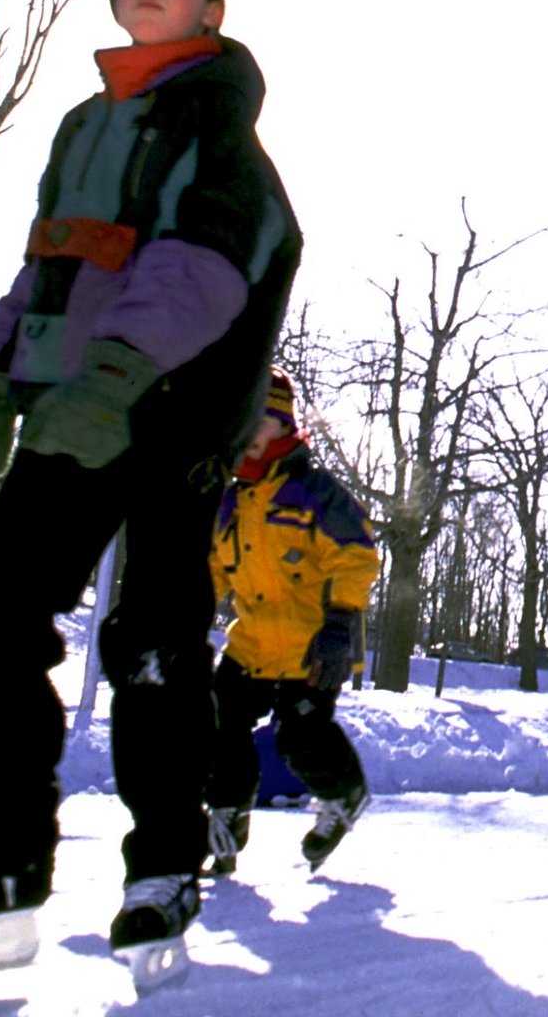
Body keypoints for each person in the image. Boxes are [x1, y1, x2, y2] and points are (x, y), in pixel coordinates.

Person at [0, 0, 301, 993]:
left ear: (211, 7)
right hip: (73, 405)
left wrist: (111, 376)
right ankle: (5, 863)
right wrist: (5, 376)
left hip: (170, 409)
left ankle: (161, 870)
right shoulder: (82, 125)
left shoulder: (214, 120)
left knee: (152, 638)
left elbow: (204, 262)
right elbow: (50, 258)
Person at [204, 371, 378, 876]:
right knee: (223, 722)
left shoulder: (316, 493)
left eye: (259, 422)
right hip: (252, 643)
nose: (248, 433)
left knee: (300, 738)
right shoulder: (231, 501)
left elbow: (358, 557)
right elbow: (213, 568)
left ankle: (344, 792)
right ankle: (228, 815)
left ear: (282, 424)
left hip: (314, 642)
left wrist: (342, 620)